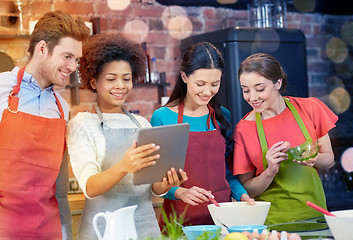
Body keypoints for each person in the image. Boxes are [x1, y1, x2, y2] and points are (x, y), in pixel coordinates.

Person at [66, 33, 187, 240]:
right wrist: (124, 166)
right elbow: (90, 187)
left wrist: (167, 182)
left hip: (145, 230)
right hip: (103, 230)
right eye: (111, 79)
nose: (120, 86)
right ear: (94, 82)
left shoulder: (142, 124)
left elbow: (153, 187)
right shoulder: (83, 123)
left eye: (127, 79)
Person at [0, 11, 90, 239]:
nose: (73, 67)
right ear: (42, 49)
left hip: (48, 230)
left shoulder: (61, 107)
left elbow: (59, 188)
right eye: (67, 56)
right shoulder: (2, 90)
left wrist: (66, 233)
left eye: (76, 60)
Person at [151, 42, 254, 227]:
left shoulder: (222, 116)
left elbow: (227, 174)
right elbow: (155, 182)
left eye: (215, 84)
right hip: (179, 222)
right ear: (184, 76)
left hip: (221, 220)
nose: (208, 91)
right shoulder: (162, 117)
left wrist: (242, 195)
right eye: (200, 84)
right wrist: (180, 192)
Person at [231, 53, 338, 225]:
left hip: (315, 217)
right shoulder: (243, 130)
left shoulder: (310, 109)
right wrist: (270, 171)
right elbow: (247, 190)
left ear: (278, 83)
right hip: (271, 224)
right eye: (245, 90)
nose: (252, 97)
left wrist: (314, 158)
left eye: (259, 89)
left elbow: (329, 160)